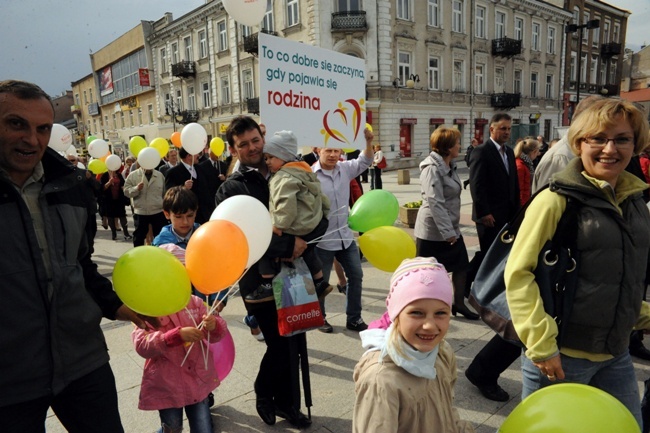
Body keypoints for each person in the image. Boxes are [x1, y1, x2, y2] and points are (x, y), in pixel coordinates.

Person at [0, 79, 157, 433]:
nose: (32, 139)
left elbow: (80, 264)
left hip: (82, 360)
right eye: (16, 124)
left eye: (42, 128)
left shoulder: (71, 185)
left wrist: (118, 305)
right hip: (10, 380)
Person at [504, 98, 650, 428]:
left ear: (635, 144)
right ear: (580, 143)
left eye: (622, 139)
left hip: (615, 352)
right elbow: (518, 273)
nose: (610, 149)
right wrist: (541, 345)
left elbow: (618, 276)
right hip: (562, 354)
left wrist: (640, 315)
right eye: (598, 138)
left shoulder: (635, 200)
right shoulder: (557, 200)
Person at [215, 116, 312, 428]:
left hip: (295, 272)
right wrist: (288, 247)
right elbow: (241, 237)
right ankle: (264, 391)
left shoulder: (285, 168)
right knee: (279, 343)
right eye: (243, 144)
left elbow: (309, 209)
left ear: (263, 136)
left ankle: (288, 404)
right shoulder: (232, 188)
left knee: (294, 342)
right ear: (233, 149)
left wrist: (306, 237)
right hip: (258, 280)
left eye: (255, 140)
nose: (252, 147)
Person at [353, 257, 475, 433]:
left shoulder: (442, 351)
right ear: (396, 314)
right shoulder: (381, 380)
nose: (430, 326)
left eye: (440, 313)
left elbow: (446, 410)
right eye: (417, 313)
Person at [464, 113, 520, 402]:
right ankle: (474, 291)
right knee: (487, 259)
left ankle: (471, 287)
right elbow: (477, 184)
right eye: (503, 129)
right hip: (488, 218)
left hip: (507, 217)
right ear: (492, 129)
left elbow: (513, 186)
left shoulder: (509, 152)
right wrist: (483, 211)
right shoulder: (481, 152)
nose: (507, 133)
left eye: (510, 129)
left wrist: (517, 213)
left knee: (494, 260)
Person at [248, 130, 332, 303]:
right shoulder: (304, 170)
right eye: (266, 158)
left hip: (296, 224)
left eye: (271, 157)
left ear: (283, 155)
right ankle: (319, 281)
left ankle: (267, 284)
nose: (268, 162)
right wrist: (323, 213)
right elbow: (321, 196)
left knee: (265, 244)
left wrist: (278, 226)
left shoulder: (283, 177)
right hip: (313, 221)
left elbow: (285, 204)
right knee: (308, 250)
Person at [132, 291, 227, 433]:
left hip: (197, 380)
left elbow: (218, 333)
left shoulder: (195, 302)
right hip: (168, 385)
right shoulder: (146, 310)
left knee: (203, 427)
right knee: (172, 428)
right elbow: (142, 345)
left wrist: (214, 326)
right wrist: (174, 337)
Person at [313, 129, 374, 333]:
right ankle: (320, 318)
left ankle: (354, 318)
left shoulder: (345, 168)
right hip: (322, 241)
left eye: (336, 150)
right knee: (320, 283)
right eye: (328, 150)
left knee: (356, 276)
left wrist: (368, 141)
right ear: (318, 150)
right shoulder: (310, 176)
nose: (332, 155)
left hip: (345, 238)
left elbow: (365, 161)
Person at [414, 127, 478, 320]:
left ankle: (458, 303)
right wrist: (447, 231)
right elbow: (435, 202)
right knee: (427, 274)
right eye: (457, 142)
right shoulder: (431, 168)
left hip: (450, 228)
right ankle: (421, 308)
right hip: (433, 232)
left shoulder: (449, 165)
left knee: (461, 266)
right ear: (448, 147)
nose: (460, 145)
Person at [164, 147, 213, 224]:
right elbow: (169, 193)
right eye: (196, 153)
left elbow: (207, 189)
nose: (198, 155)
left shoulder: (200, 168)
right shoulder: (173, 172)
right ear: (189, 156)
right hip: (187, 216)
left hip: (205, 214)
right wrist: (183, 188)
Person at [124, 163, 167, 247]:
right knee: (139, 237)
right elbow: (126, 191)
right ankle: (138, 256)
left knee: (161, 236)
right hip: (141, 212)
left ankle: (160, 255)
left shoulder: (159, 175)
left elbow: (165, 193)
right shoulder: (133, 175)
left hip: (157, 211)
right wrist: (136, 189)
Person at [100, 168, 132, 241]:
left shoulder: (119, 175)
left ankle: (126, 233)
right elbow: (102, 188)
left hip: (119, 199)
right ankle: (113, 233)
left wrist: (125, 189)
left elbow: (123, 185)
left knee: (122, 216)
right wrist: (109, 182)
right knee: (110, 216)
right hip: (108, 200)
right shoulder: (105, 175)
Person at [514, 137, 541, 205]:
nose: (538, 154)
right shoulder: (521, 166)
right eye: (537, 151)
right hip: (522, 203)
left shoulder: (526, 163)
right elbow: (519, 190)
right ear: (534, 152)